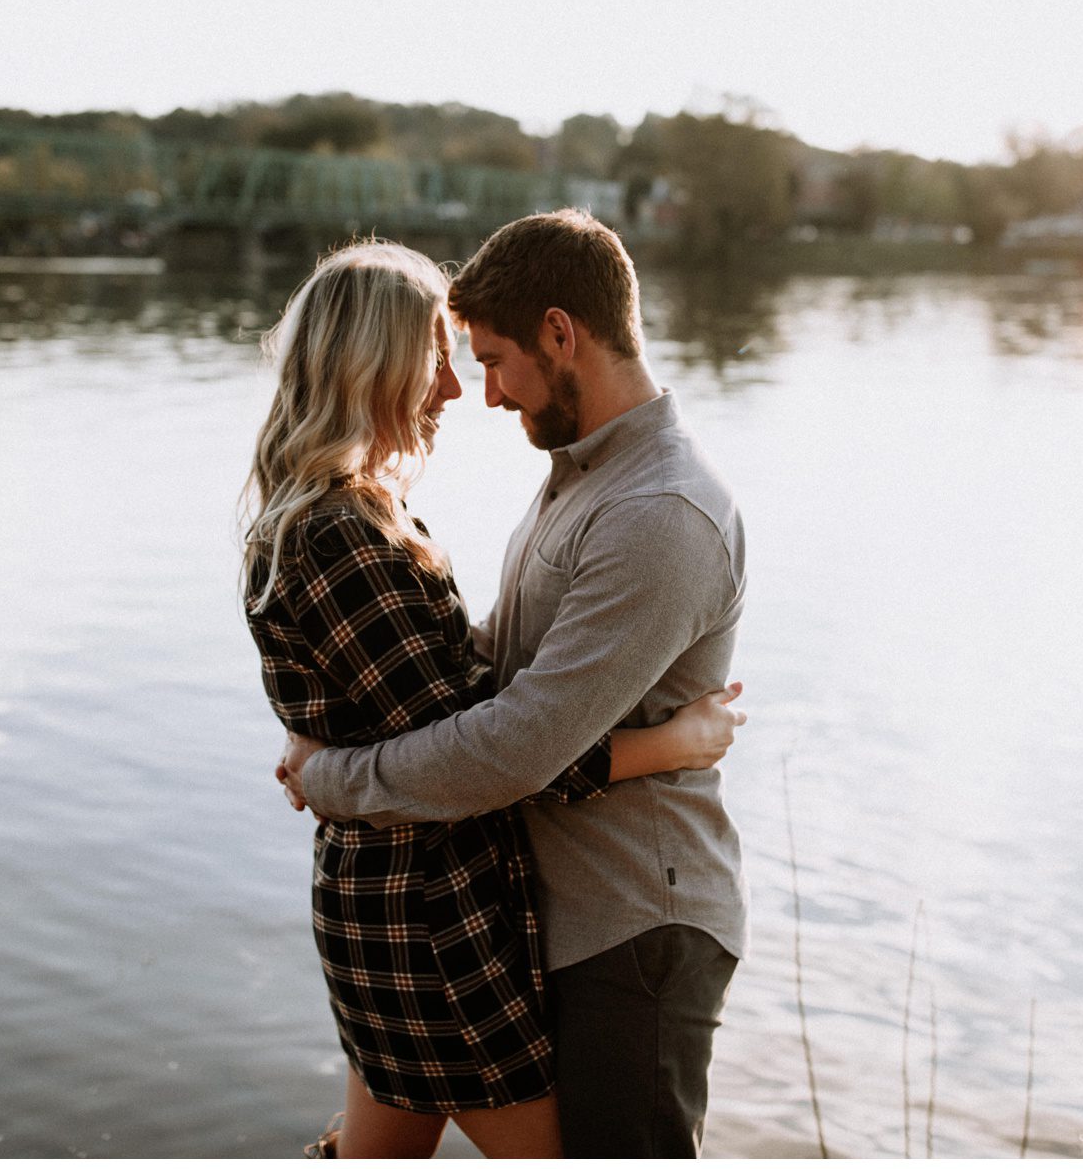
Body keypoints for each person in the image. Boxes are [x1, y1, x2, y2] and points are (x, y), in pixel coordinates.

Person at [241, 239, 746, 1159]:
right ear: (374, 365)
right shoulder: (346, 532)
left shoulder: (652, 507)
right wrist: (665, 745)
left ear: (559, 335)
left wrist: (332, 777)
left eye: (482, 360)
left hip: (584, 908)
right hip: (437, 906)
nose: (472, 393)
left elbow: (498, 727)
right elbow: (498, 738)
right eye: (447, 362)